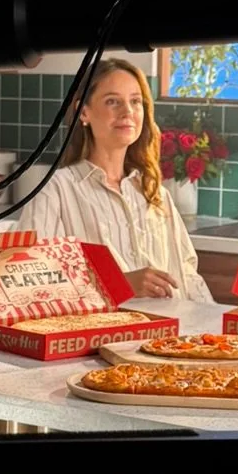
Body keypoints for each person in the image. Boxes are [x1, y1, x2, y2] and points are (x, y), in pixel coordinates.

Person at [23, 58, 213, 302]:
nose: (127, 112)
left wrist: (216, 325)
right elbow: (32, 281)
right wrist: (119, 283)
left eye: (135, 101)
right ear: (84, 112)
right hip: (100, 338)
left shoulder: (154, 193)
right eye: (112, 101)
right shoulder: (55, 191)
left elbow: (188, 276)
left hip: (169, 337)